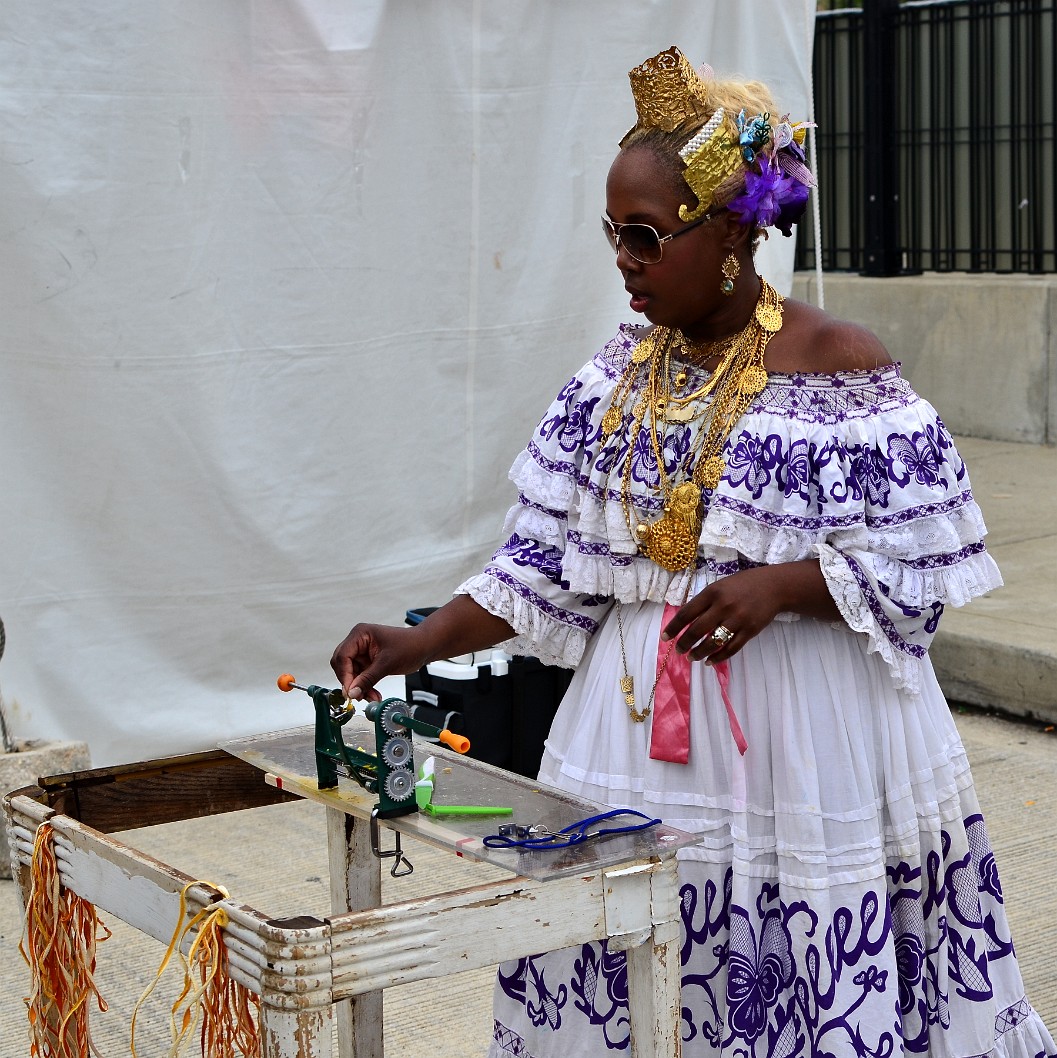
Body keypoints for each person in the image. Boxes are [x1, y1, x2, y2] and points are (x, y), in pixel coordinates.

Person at [332, 47, 1055, 1058]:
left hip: (799, 744)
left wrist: (786, 586)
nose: (622, 261)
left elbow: (921, 567)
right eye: (611, 235)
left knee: (786, 979)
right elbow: (542, 566)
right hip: (626, 741)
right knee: (631, 968)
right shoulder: (609, 380)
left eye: (642, 236)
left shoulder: (835, 365)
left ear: (727, 233)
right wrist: (417, 641)